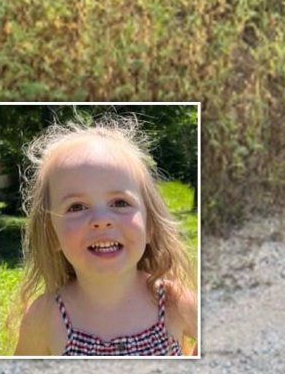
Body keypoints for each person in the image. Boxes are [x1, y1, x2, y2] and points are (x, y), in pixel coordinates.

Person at [13, 116, 197, 356]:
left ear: (150, 225)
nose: (101, 219)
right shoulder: (45, 316)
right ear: (52, 235)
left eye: (120, 202)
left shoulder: (175, 303)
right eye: (77, 207)